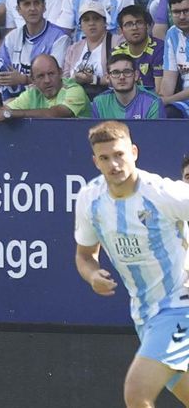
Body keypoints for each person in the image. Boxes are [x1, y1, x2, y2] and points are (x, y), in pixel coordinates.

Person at [74, 122, 189, 407]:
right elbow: (84, 255)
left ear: (134, 152)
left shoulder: (163, 193)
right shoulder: (90, 199)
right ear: (95, 161)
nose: (114, 164)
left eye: (119, 154)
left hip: (180, 306)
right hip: (145, 315)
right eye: (104, 158)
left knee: (137, 394)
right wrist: (92, 276)